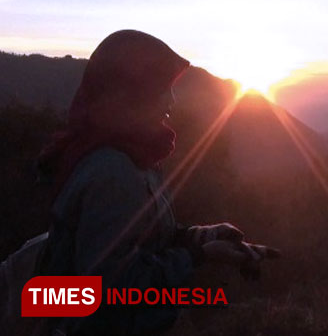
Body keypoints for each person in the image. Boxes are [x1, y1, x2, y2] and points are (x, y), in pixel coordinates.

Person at [35, 30, 277, 335]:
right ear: (129, 94)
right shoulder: (113, 172)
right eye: (161, 88)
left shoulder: (135, 155)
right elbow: (109, 295)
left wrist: (199, 237)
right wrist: (198, 256)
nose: (171, 100)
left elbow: (139, 240)